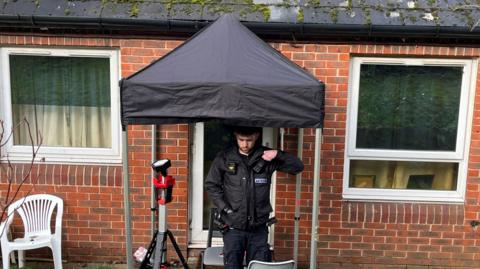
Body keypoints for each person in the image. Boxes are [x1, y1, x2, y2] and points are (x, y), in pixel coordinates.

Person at [205, 126, 304, 269]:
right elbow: (211, 185)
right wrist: (225, 208)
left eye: (249, 140)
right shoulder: (225, 157)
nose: (245, 144)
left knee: (259, 266)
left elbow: (297, 167)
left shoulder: (266, 157)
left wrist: (277, 154)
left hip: (258, 228)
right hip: (233, 227)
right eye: (241, 140)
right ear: (236, 136)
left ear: (256, 136)